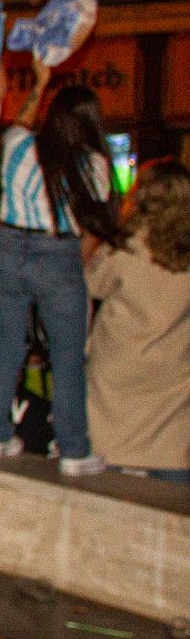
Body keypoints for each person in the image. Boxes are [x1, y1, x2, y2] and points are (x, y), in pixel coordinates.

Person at [0, 62, 118, 472]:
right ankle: (74, 451)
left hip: (8, 246)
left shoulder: (20, 144)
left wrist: (38, 84)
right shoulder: (93, 165)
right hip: (58, 252)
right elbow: (95, 216)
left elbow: (20, 121)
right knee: (67, 356)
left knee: (7, 347)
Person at [85, 161, 190, 482]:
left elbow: (91, 283)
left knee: (108, 476)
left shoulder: (124, 247)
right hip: (172, 372)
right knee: (170, 487)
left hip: (118, 368)